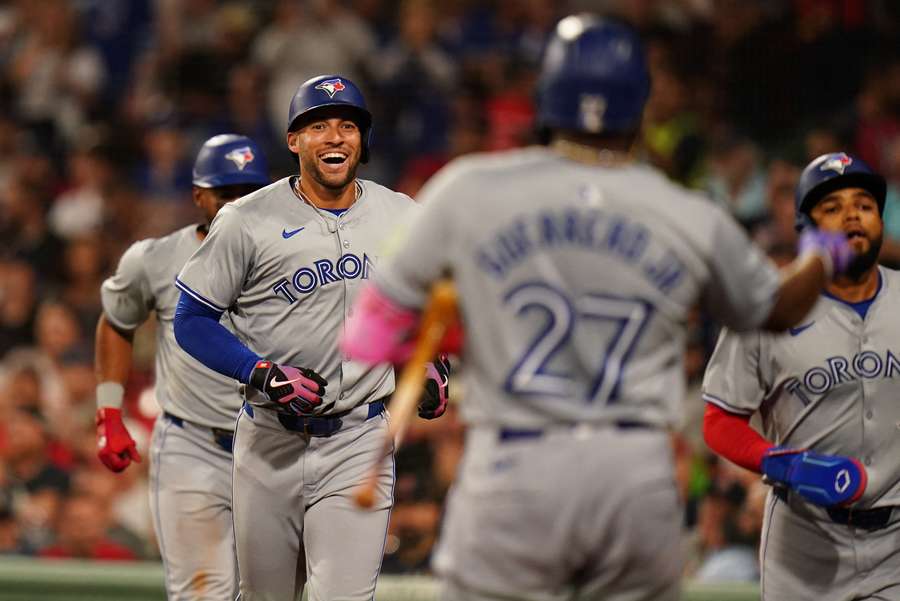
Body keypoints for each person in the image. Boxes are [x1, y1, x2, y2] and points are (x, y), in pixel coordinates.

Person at [340, 15, 854, 601]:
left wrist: (462, 326)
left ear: (547, 98)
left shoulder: (467, 189)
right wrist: (820, 255)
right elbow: (780, 309)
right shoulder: (686, 212)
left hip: (513, 468)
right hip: (634, 475)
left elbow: (369, 334)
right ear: (640, 106)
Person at [171, 74, 450, 601]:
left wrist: (428, 361)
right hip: (268, 442)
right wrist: (259, 372)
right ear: (294, 140)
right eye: (318, 126)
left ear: (363, 141)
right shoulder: (247, 220)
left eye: (348, 126)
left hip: (358, 438)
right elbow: (191, 319)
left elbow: (425, 310)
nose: (335, 137)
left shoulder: (402, 215)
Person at [702, 152, 899, 601]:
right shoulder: (770, 307)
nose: (852, 214)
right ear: (806, 229)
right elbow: (718, 420)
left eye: (864, 205)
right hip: (805, 539)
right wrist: (782, 464)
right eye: (832, 207)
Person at [94, 133, 270, 599]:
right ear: (198, 195)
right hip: (195, 445)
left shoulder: (292, 253)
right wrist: (109, 410)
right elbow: (116, 320)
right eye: (225, 193)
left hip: (277, 444)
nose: (237, 203)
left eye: (247, 192)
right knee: (202, 593)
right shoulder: (155, 258)